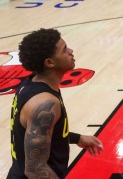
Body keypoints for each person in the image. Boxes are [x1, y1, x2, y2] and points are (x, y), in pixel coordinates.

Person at [8, 28, 103, 178]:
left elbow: (38, 132)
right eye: (65, 50)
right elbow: (35, 170)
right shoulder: (44, 102)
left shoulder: (31, 83)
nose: (71, 51)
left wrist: (77, 138)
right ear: (50, 62)